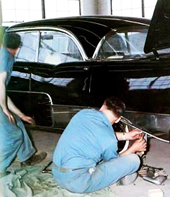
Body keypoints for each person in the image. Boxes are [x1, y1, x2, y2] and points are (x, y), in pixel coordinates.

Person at [52, 97, 147, 193]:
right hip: (79, 183)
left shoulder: (83, 113)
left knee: (98, 152)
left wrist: (127, 136)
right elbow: (113, 161)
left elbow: (98, 135)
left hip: (57, 174)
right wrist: (133, 148)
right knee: (134, 160)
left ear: (102, 106)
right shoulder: (109, 140)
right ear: (118, 119)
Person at [0, 33, 47, 178]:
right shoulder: (6, 57)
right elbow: (0, 84)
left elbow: (4, 93)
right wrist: (4, 108)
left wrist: (19, 114)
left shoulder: (3, 53)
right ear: (17, 47)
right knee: (13, 136)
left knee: (17, 122)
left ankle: (26, 157)